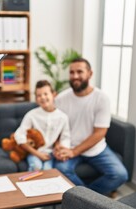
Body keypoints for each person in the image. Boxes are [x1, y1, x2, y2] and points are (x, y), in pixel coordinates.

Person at [53, 57, 128, 196]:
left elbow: (99, 133)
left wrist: (74, 152)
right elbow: (55, 128)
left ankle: (87, 199)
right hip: (68, 146)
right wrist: (58, 145)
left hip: (96, 148)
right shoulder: (61, 99)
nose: (75, 76)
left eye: (79, 72)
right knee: (60, 170)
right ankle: (91, 200)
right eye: (72, 72)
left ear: (90, 74)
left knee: (120, 174)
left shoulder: (101, 98)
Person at [12, 80, 70, 209]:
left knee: (48, 174)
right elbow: (19, 136)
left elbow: (66, 138)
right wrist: (37, 154)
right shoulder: (32, 114)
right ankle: (22, 206)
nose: (42, 97)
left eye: (46, 94)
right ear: (36, 98)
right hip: (35, 153)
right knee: (35, 169)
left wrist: (61, 149)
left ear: (53, 94)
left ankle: (38, 205)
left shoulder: (63, 117)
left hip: (50, 154)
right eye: (39, 95)